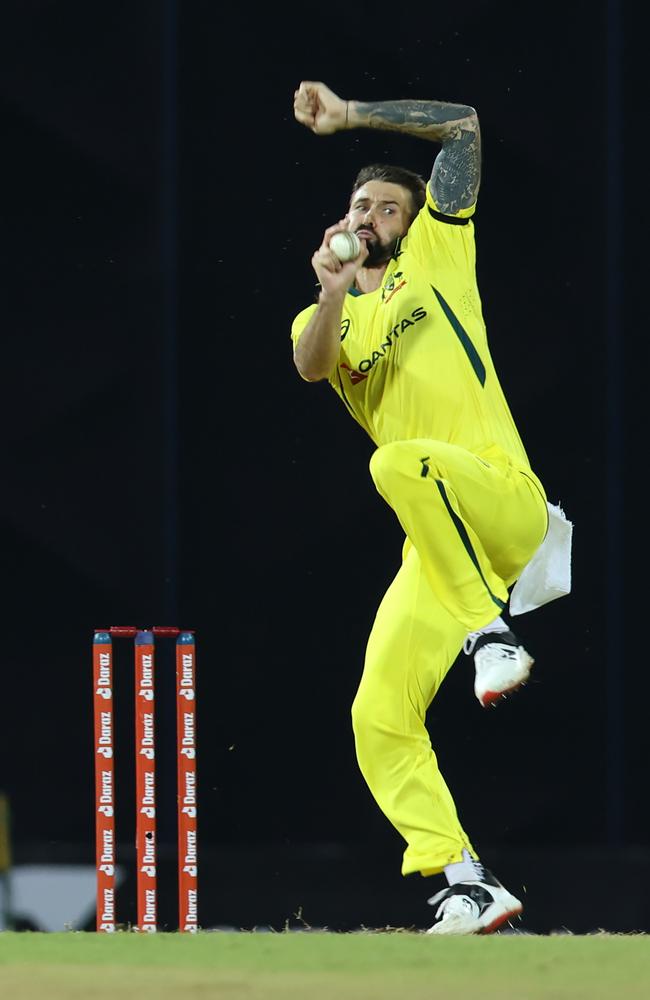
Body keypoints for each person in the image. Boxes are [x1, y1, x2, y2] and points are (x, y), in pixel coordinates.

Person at [290, 81, 549, 935]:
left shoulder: (438, 256)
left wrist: (354, 117)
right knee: (378, 714)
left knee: (398, 460)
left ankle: (493, 634)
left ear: (413, 221)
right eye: (359, 202)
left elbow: (464, 129)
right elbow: (311, 364)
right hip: (436, 546)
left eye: (388, 207)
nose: (371, 214)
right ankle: (466, 881)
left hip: (502, 501)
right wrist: (331, 287)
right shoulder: (332, 315)